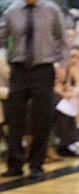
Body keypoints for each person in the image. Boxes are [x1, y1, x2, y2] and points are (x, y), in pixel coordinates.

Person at [0, 0, 68, 179]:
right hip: (19, 68)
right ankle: (14, 164)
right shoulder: (11, 11)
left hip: (43, 68)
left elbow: (62, 40)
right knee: (15, 118)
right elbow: (0, 38)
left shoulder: (52, 10)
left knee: (41, 118)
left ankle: (36, 165)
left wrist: (62, 64)